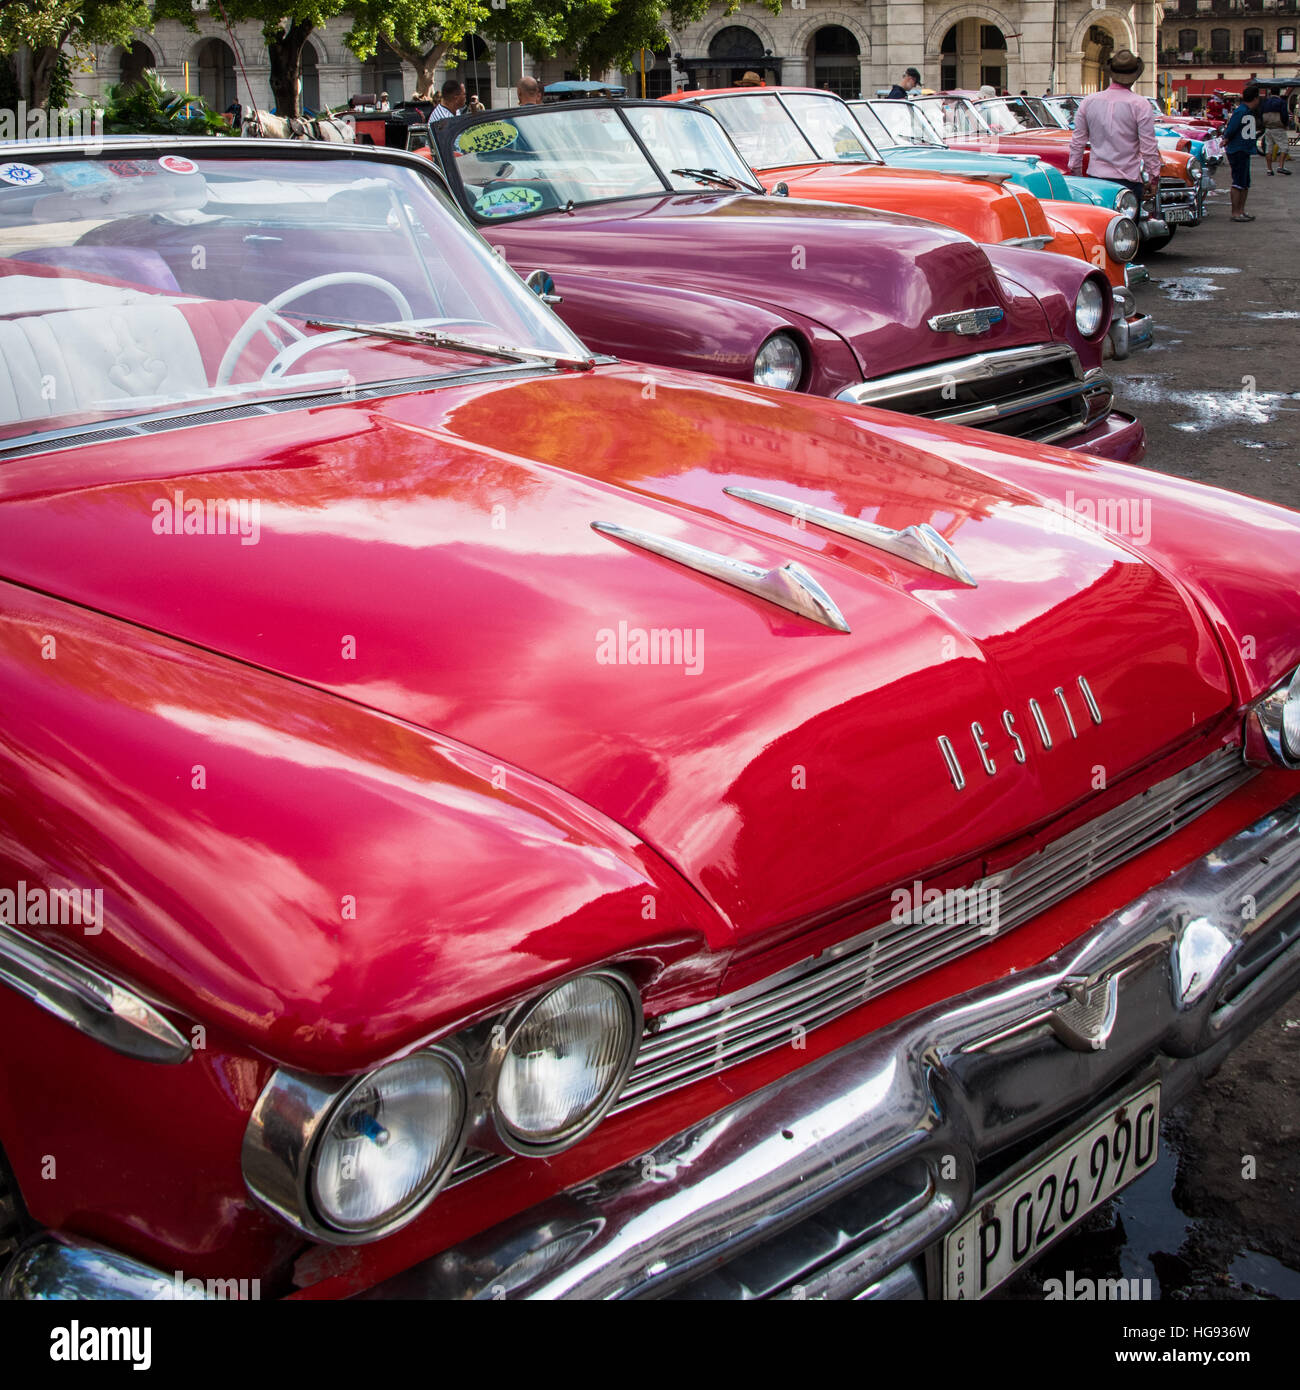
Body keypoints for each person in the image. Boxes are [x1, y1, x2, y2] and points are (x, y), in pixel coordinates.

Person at [1066, 49, 1160, 207]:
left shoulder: (1089, 102)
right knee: (1126, 228)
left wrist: (1076, 173)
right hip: (1128, 179)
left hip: (1096, 178)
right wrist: (1153, 178)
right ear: (1135, 76)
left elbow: (1077, 143)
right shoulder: (1140, 104)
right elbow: (1148, 146)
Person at [1223, 84, 1263, 220]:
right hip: (1238, 149)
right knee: (1238, 182)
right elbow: (1232, 128)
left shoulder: (1246, 111)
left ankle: (1241, 210)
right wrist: (1226, 139)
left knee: (1245, 182)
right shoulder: (1241, 111)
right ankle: (1236, 212)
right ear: (1255, 98)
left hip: (1245, 149)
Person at [1260, 86, 1291, 175]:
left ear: (1271, 92)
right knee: (1284, 147)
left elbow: (1260, 113)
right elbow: (1284, 115)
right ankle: (1280, 166)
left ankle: (1269, 170)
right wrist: (1285, 124)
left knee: (1268, 149)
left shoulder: (1265, 102)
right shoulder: (1281, 102)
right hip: (1278, 127)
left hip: (1268, 128)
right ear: (1279, 93)